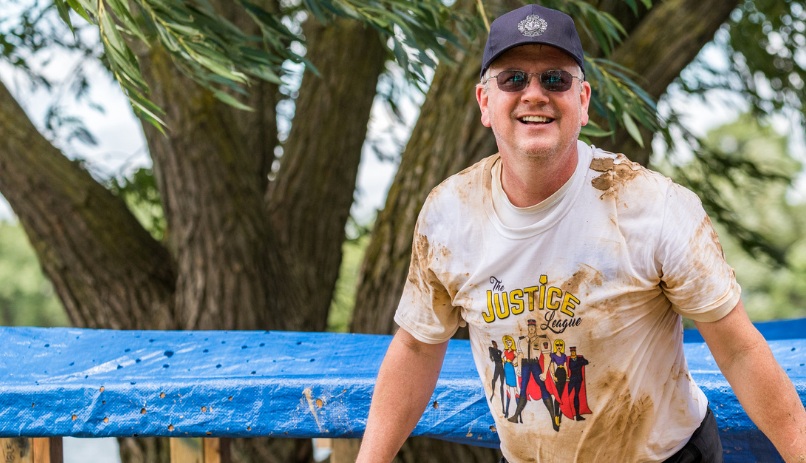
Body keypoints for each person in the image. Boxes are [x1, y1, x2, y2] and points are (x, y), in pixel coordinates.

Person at [356, 3, 806, 462]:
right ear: (485, 102)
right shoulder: (449, 214)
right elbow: (415, 347)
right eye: (513, 79)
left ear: (584, 101)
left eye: (555, 79)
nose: (534, 94)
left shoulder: (652, 206)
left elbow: (740, 351)